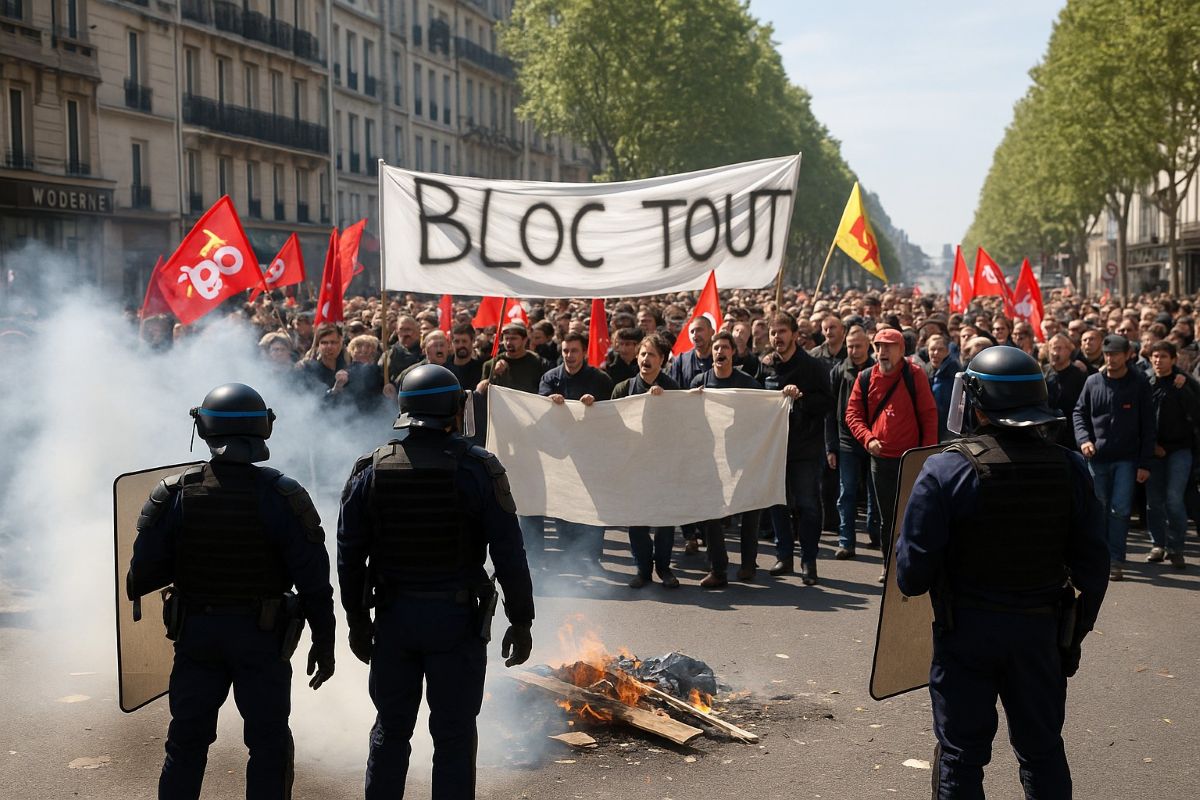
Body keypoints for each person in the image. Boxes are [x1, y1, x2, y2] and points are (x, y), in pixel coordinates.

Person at [895, 346, 1109, 800]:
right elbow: (1094, 565)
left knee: (961, 756)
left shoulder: (946, 470)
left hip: (966, 632)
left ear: (977, 400)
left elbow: (911, 576)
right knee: (1042, 752)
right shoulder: (1070, 467)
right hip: (1040, 633)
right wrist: (1073, 633)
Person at [126, 383, 336, 800]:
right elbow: (315, 582)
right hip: (262, 639)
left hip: (197, 635)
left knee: (186, 744)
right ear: (263, 430)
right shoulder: (284, 495)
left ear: (204, 428)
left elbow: (139, 577)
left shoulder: (173, 494)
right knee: (269, 744)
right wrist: (324, 642)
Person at [337, 364, 535, 799]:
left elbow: (349, 555)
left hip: (394, 620)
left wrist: (356, 620)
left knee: (391, 729)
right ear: (455, 408)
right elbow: (508, 553)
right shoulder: (480, 469)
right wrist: (521, 620)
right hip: (456, 623)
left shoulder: (371, 469)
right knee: (454, 736)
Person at [845, 327, 939, 583]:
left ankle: (913, 564)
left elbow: (929, 415)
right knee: (888, 516)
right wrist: (868, 438)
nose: (883, 351)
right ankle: (889, 565)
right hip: (881, 459)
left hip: (911, 459)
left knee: (912, 513)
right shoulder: (865, 378)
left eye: (889, 346)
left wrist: (926, 455)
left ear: (901, 350)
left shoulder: (915, 375)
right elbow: (852, 415)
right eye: (879, 346)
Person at [1073, 334, 1155, 581]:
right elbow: (1079, 414)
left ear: (1128, 354)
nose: (1110, 358)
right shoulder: (1092, 382)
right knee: (1098, 508)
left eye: (1116, 354)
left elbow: (1149, 426)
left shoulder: (1139, 384)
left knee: (1120, 510)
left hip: (1127, 460)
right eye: (1107, 354)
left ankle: (1116, 558)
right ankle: (1100, 556)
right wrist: (1084, 440)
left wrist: (1144, 463)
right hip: (1097, 458)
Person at [759, 312, 833, 585]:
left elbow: (826, 403)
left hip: (804, 449)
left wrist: (800, 397)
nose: (777, 337)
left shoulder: (813, 366)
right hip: (775, 449)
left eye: (782, 331)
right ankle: (784, 555)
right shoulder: (766, 366)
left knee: (807, 506)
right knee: (777, 503)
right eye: (773, 333)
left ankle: (808, 561)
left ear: (794, 334)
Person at [690, 331, 764, 587]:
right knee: (712, 513)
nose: (720, 352)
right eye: (716, 348)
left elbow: (763, 411)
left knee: (748, 512)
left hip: (741, 457)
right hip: (712, 459)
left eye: (725, 347)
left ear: (733, 352)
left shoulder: (747, 383)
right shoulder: (700, 382)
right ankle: (718, 569)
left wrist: (786, 396)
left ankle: (747, 565)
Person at [536, 331, 614, 565]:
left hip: (591, 454)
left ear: (584, 353)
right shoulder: (550, 378)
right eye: (565, 351)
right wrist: (550, 402)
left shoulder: (600, 379)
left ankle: (592, 557)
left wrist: (595, 405)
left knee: (592, 507)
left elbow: (611, 414)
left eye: (574, 351)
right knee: (564, 505)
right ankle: (569, 554)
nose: (569, 355)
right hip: (562, 455)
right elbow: (539, 408)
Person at [611, 333, 681, 588]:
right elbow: (611, 424)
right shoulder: (623, 389)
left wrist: (666, 404)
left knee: (664, 521)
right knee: (637, 522)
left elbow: (683, 427)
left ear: (662, 359)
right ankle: (643, 570)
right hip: (635, 467)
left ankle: (663, 568)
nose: (646, 359)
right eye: (643, 354)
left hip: (664, 467)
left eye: (652, 355)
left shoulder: (673, 389)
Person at [1144, 341, 1200, 568]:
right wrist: (1151, 445)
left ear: (1174, 359)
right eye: (1155, 356)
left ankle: (1176, 547)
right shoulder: (1145, 382)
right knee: (1154, 501)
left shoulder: (1184, 382)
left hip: (1180, 450)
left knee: (1174, 500)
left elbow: (1196, 414)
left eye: (1164, 356)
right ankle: (1158, 544)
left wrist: (1185, 387)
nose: (1159, 360)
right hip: (1153, 451)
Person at [826, 328, 880, 558]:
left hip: (874, 440)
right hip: (847, 441)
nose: (854, 351)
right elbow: (830, 411)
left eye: (859, 346)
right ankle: (846, 542)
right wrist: (830, 446)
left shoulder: (879, 370)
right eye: (850, 346)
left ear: (868, 345)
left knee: (875, 491)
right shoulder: (839, 371)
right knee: (846, 492)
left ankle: (876, 535)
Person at [926, 334, 960, 442]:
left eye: (940, 350)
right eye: (932, 349)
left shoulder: (954, 373)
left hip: (947, 433)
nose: (935, 353)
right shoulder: (925, 370)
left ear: (947, 352)